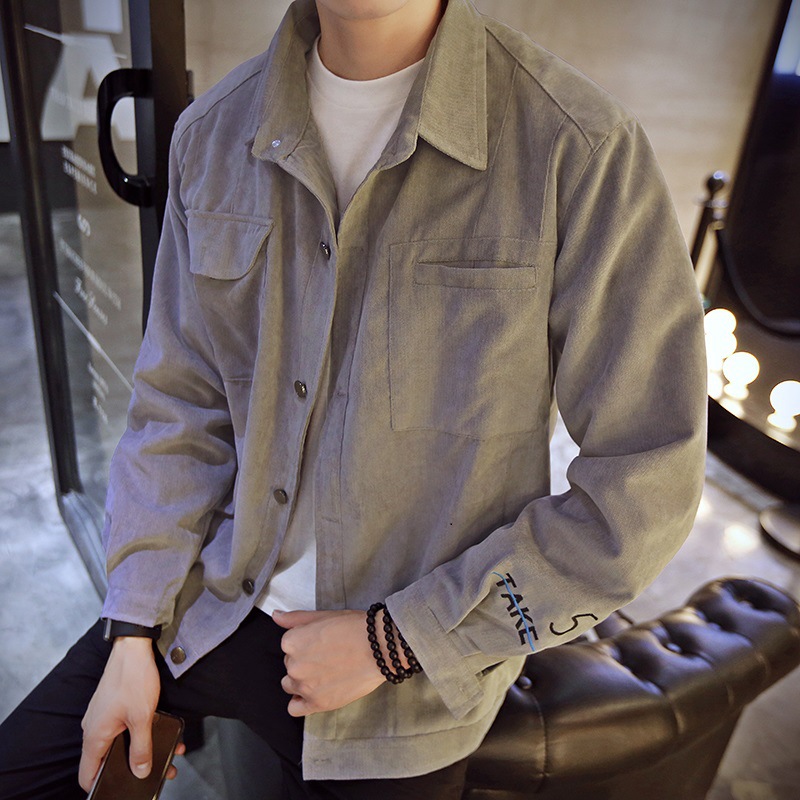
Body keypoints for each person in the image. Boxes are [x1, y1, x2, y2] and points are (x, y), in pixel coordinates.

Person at [0, 0, 707, 797]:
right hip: (213, 608)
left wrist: (396, 640)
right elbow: (179, 402)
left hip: (400, 682)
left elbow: (645, 486)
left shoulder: (577, 148)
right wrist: (132, 624)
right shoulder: (212, 133)